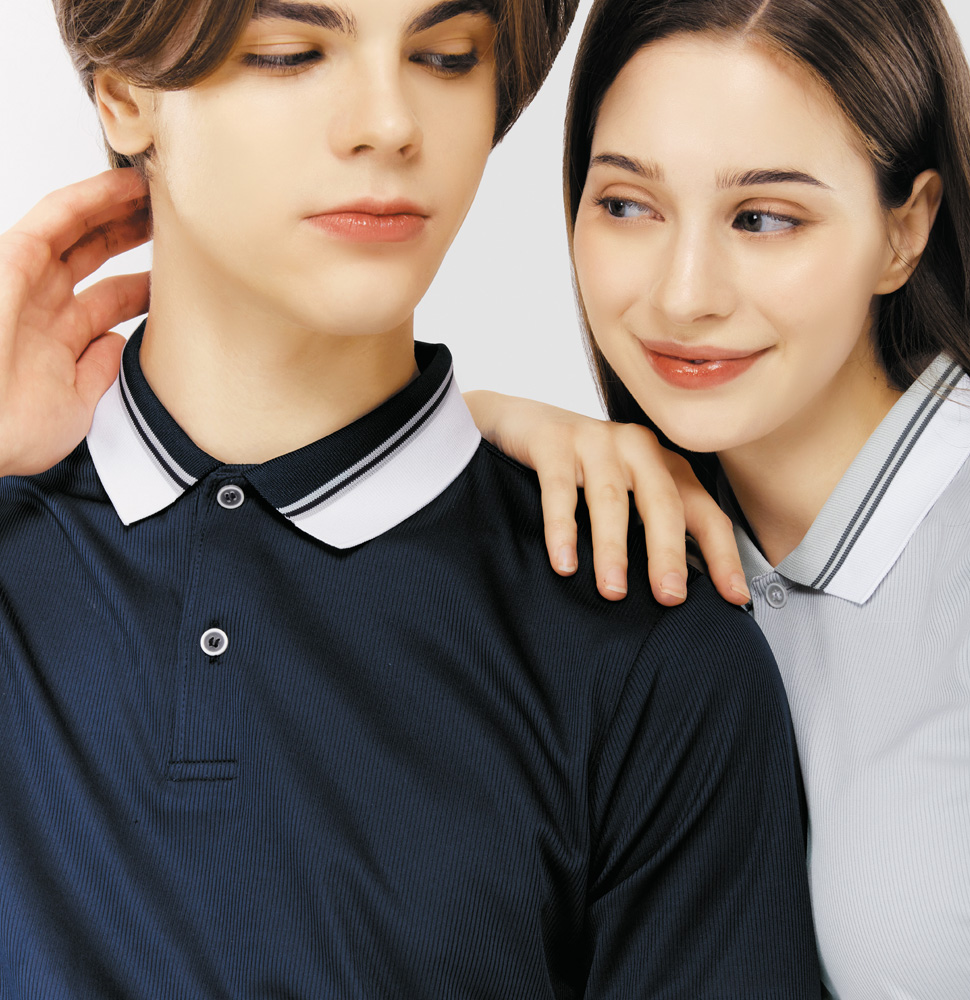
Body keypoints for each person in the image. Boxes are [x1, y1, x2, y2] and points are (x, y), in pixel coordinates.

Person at [0, 0, 821, 995]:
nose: (390, 124)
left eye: (444, 56)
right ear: (126, 94)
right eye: (291, 53)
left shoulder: (649, 651)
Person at [472, 0, 970, 997]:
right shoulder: (639, 560)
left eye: (763, 218)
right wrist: (472, 429)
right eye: (628, 204)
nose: (683, 295)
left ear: (905, 229)